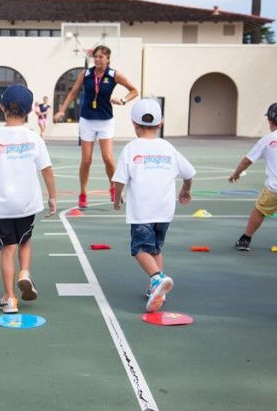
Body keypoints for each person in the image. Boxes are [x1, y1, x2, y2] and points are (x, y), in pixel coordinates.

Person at [0, 84, 57, 314]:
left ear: (2, 107)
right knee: (25, 240)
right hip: (27, 203)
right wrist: (53, 197)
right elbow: (47, 169)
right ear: (29, 112)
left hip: (2, 205)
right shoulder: (33, 137)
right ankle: (24, 272)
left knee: (7, 249)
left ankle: (10, 298)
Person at [112, 99, 196, 312]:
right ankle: (158, 288)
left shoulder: (131, 148)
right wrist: (186, 189)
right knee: (156, 248)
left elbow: (119, 180)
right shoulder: (168, 147)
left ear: (134, 124)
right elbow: (189, 173)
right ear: (160, 124)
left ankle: (158, 279)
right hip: (164, 211)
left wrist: (117, 197)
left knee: (140, 249)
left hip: (142, 211)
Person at [53, 45, 138, 209]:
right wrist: (62, 111)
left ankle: (113, 188)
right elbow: (73, 92)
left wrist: (123, 101)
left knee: (108, 159)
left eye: (101, 57)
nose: (97, 59)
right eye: (96, 57)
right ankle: (83, 193)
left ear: (108, 58)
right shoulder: (85, 74)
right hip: (87, 120)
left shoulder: (114, 75)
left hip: (106, 121)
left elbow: (134, 90)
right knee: (86, 160)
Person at [229, 102, 277, 252]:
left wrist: (236, 173)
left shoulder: (268, 139)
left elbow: (247, 160)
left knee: (260, 209)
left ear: (271, 120)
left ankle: (245, 239)